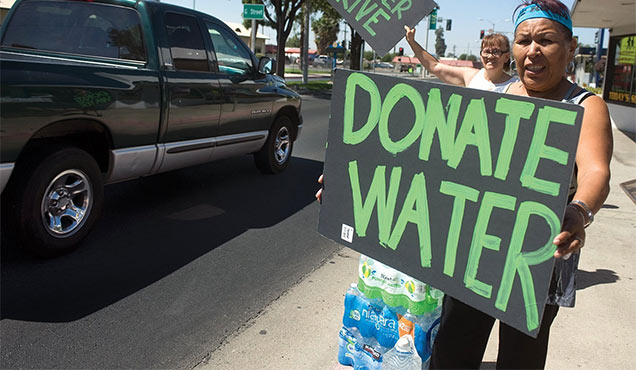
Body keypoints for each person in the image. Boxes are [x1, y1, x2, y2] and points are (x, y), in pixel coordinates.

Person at [429, 1, 613, 369]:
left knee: (520, 358)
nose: (532, 51)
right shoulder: (500, 95)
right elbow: (439, 163)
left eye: (545, 40)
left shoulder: (585, 105)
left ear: (571, 47)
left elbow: (596, 170)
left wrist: (580, 210)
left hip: (538, 260)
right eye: (523, 40)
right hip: (475, 252)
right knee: (452, 348)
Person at [404, 26, 518, 92]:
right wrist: (412, 42)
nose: (490, 56)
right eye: (486, 51)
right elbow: (435, 66)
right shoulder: (470, 76)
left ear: (506, 57)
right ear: (481, 55)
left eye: (496, 52)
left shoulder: (515, 86)